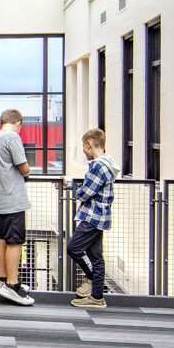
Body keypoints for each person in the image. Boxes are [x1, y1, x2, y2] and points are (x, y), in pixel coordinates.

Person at [0, 108, 33, 305]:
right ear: (18, 122)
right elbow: (24, 167)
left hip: (0, 198)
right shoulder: (12, 137)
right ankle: (13, 285)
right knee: (15, 241)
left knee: (4, 238)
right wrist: (27, 173)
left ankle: (2, 279)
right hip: (12, 198)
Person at [67, 128, 117, 309]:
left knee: (73, 248)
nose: (83, 151)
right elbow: (91, 186)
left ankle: (89, 277)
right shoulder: (106, 164)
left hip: (92, 217)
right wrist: (72, 184)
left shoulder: (98, 166)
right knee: (96, 257)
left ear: (89, 144)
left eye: (83, 146)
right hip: (99, 217)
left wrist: (75, 190)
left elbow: (85, 193)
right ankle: (97, 297)